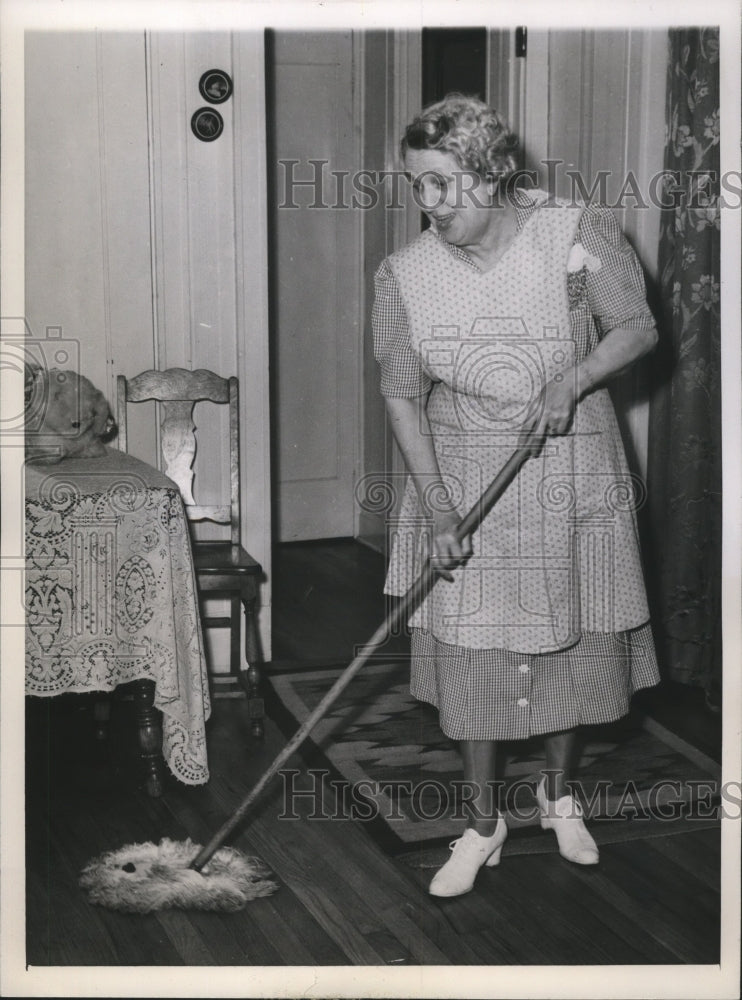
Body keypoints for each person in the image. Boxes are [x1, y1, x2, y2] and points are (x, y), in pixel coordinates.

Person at [372, 93, 661, 898]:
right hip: (464, 476)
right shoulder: (405, 275)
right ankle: (481, 823)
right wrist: (435, 507)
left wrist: (573, 379)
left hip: (573, 465)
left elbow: (637, 327)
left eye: (441, 184)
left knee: (568, 635)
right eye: (416, 186)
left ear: (491, 173)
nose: (428, 205)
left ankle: (559, 796)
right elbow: (400, 391)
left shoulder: (573, 230)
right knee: (475, 655)